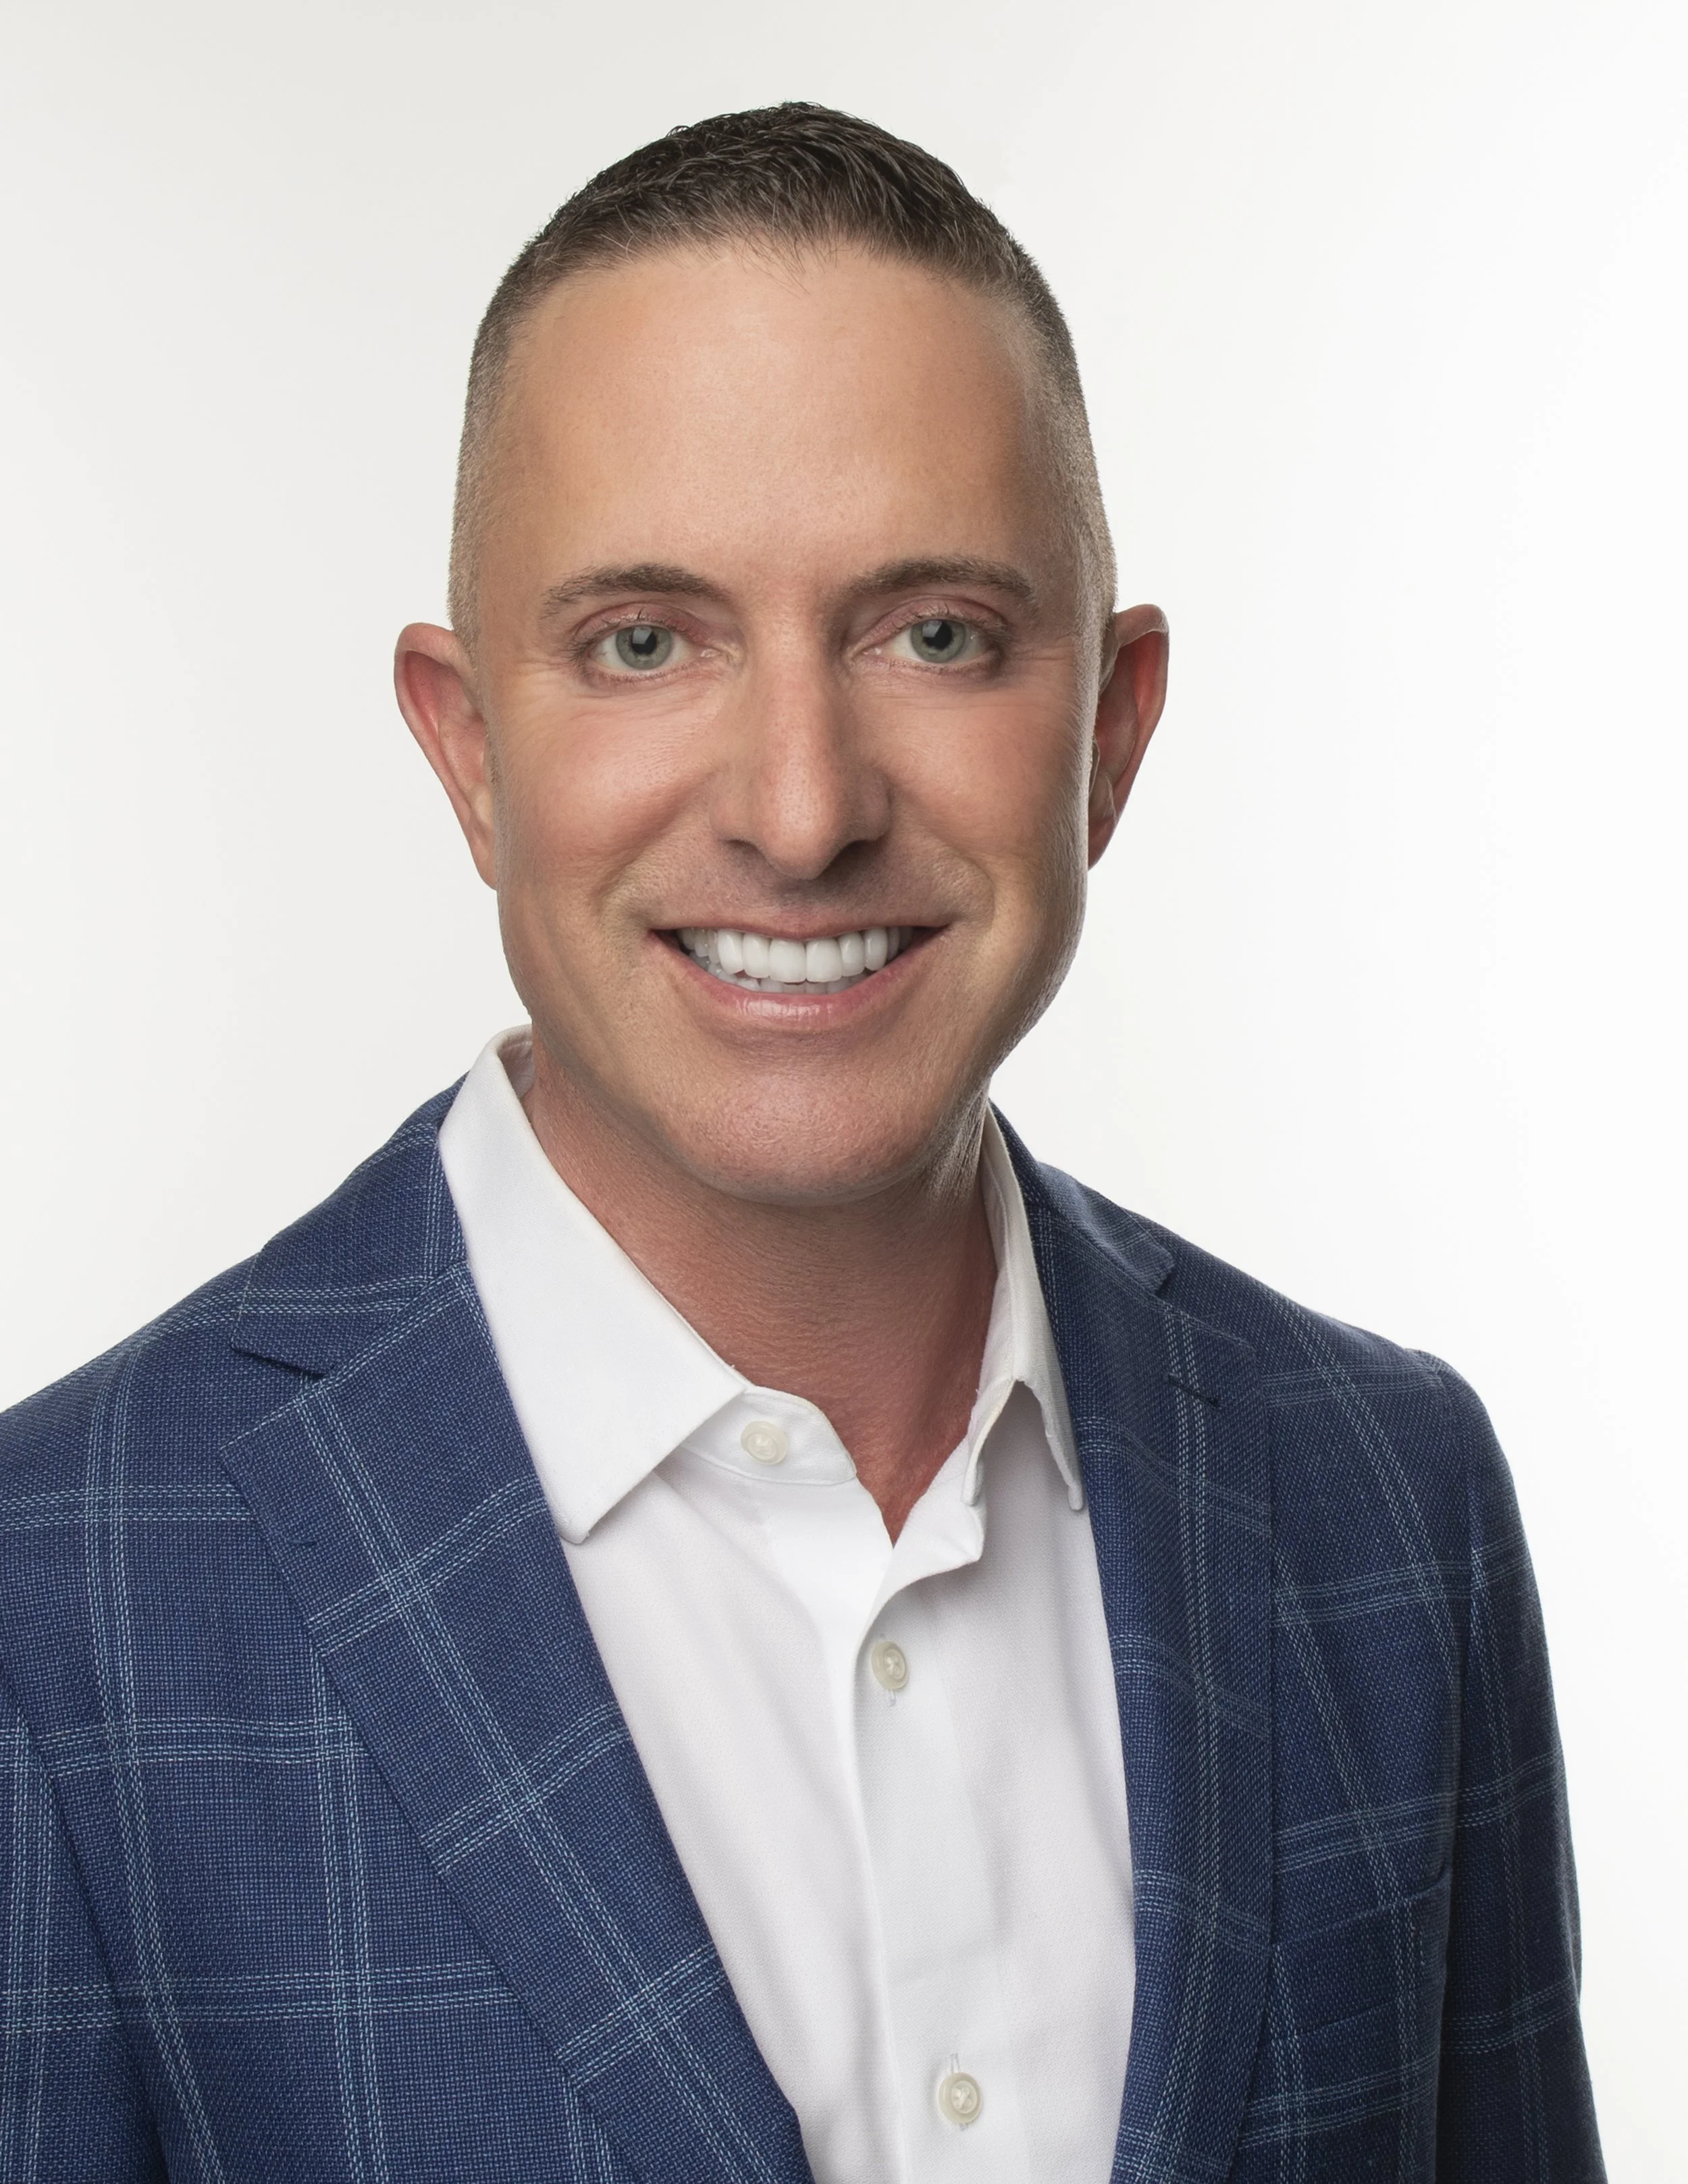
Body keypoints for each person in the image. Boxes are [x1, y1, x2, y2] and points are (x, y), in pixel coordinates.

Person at [0, 103, 1602, 2184]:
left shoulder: (1385, 1503)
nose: (795, 803)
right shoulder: (66, 1596)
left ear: (1108, 733)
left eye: (934, 633)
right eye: (642, 643)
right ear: (468, 750)